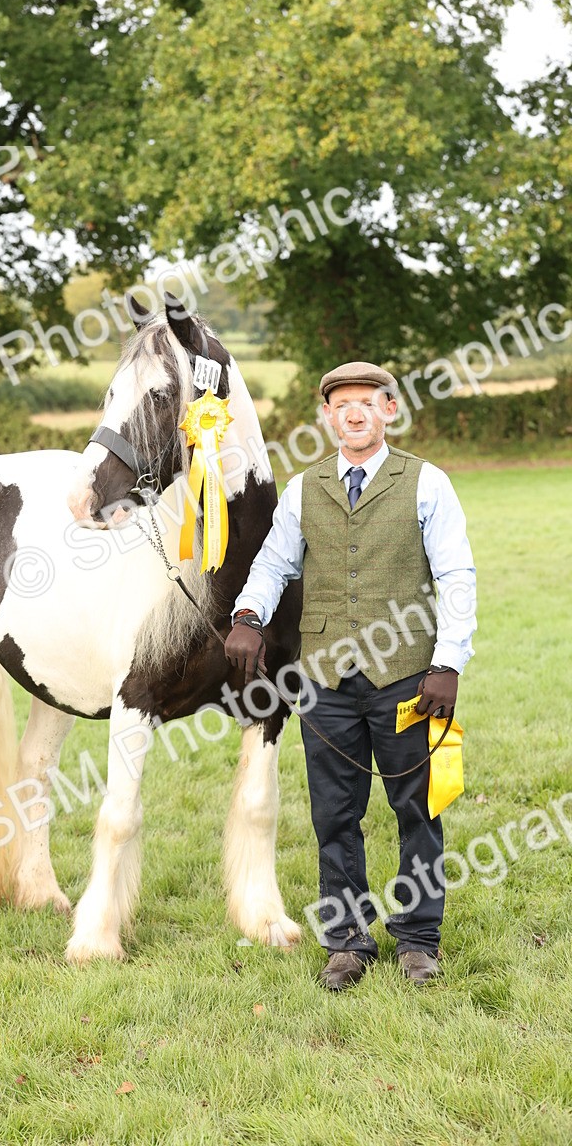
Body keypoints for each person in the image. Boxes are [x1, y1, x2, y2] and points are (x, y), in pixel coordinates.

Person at [224, 361, 476, 991]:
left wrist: (448, 662)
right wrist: (248, 615)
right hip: (325, 680)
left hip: (409, 677)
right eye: (342, 405)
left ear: (390, 409)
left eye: (368, 401)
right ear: (328, 417)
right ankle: (346, 940)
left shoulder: (426, 483)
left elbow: (456, 575)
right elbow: (274, 563)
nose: (355, 413)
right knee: (334, 815)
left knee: (417, 809)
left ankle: (418, 938)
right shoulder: (303, 490)